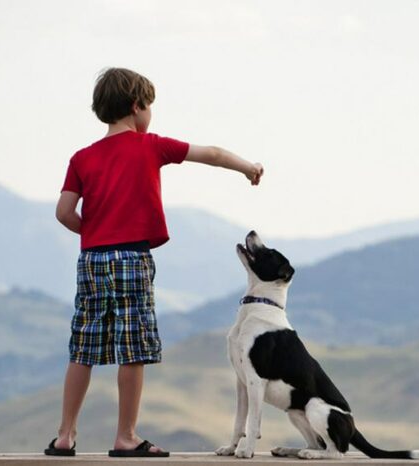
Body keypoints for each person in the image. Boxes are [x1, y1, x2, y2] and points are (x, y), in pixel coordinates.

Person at [45, 67, 263, 458]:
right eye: (150, 107)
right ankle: (126, 436)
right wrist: (248, 167)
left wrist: (96, 234)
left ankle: (64, 435)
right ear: (137, 106)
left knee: (84, 345)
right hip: (131, 256)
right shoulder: (152, 146)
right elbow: (210, 154)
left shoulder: (82, 157)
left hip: (92, 260)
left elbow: (63, 212)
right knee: (133, 347)